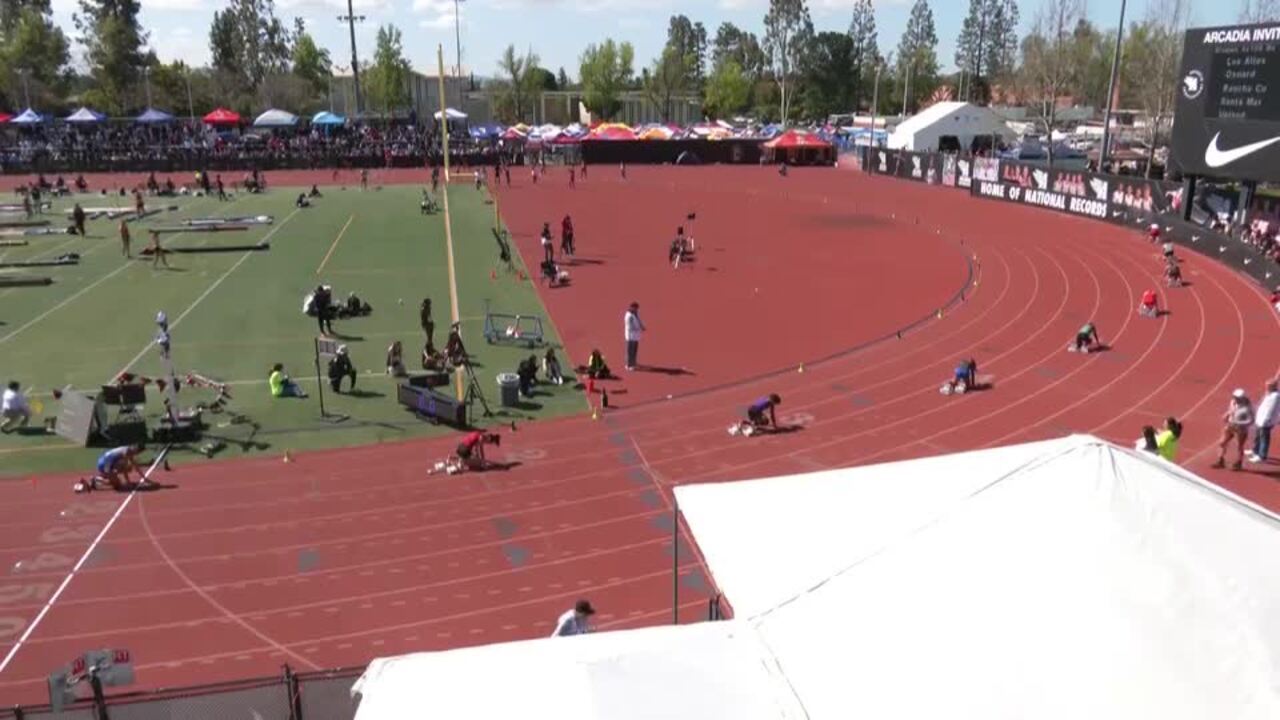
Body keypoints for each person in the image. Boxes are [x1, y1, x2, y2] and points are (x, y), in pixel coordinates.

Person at [1213, 388, 1253, 470]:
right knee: (1222, 443)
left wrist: (1239, 423)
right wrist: (1226, 414)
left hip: (1240, 430)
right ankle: (1220, 460)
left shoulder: (1247, 408)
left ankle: (1238, 463)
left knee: (1239, 446)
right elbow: (1231, 410)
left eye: (1237, 398)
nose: (1235, 399)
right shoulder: (1233, 402)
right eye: (1234, 397)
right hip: (1230, 425)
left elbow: (1251, 420)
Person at [81, 444, 145, 492]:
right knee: (117, 485)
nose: (137, 454)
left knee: (128, 467)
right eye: (138, 452)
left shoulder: (128, 450)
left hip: (105, 463)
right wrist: (128, 482)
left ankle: (105, 476)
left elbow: (136, 466)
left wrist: (145, 478)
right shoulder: (126, 452)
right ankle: (96, 479)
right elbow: (125, 469)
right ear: (137, 450)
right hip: (104, 465)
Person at [1249, 381, 1279, 463]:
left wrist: (1265, 420)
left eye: (1268, 386)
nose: (1266, 388)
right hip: (1260, 419)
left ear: (1272, 387)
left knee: (1264, 438)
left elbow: (1270, 409)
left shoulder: (1275, 396)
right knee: (1258, 436)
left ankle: (1262, 456)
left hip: (1265, 421)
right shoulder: (1270, 393)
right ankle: (1255, 451)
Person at [624, 302, 645, 371]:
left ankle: (633, 362)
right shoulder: (629, 316)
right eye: (636, 308)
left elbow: (638, 321)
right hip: (631, 337)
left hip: (635, 336)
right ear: (632, 307)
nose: (637, 310)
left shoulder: (635, 314)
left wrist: (641, 326)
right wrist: (639, 328)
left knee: (635, 350)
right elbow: (630, 327)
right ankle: (629, 365)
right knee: (630, 351)